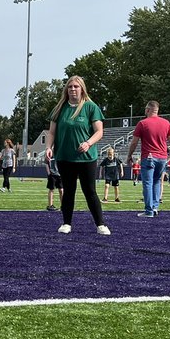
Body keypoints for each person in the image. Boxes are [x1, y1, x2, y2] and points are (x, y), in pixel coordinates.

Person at [47, 76, 108, 235]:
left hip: (86, 158)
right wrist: (48, 147)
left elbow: (99, 131)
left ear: (82, 89)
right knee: (68, 191)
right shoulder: (59, 108)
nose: (73, 89)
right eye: (70, 87)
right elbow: (51, 132)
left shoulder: (90, 107)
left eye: (76, 86)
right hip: (64, 157)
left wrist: (88, 143)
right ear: (66, 90)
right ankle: (66, 223)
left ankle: (100, 224)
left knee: (90, 191)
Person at [125, 100, 170, 218]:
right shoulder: (166, 123)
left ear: (148, 110)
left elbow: (134, 142)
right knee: (157, 182)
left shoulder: (143, 123)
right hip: (162, 158)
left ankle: (149, 210)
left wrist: (129, 156)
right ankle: (155, 207)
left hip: (149, 157)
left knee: (148, 183)